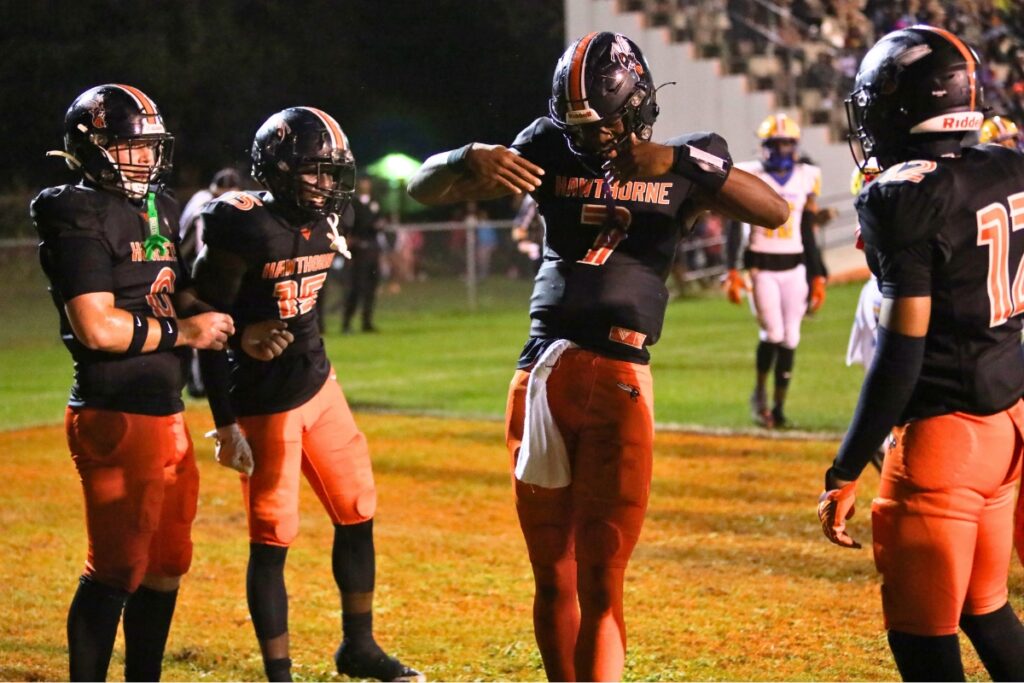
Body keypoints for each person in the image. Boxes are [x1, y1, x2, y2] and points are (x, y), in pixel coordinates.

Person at [408, 31, 788, 682]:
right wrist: (467, 156)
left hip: (614, 373)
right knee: (554, 572)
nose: (592, 140)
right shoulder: (548, 143)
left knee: (601, 580)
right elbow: (423, 188)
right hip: (542, 372)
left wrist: (680, 162)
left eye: (604, 124)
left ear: (637, 103)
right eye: (580, 128)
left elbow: (775, 209)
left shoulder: (689, 160)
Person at [818, 25, 1024, 681]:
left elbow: (902, 346)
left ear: (901, 105)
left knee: (923, 646)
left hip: (944, 440)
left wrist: (847, 465)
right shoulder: (1009, 164)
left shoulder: (904, 194)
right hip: (1007, 423)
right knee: (986, 609)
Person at [190, 106, 421, 683]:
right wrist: (225, 420)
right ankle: (279, 674)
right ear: (278, 170)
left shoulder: (323, 221)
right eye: (315, 171)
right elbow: (197, 315)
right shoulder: (240, 223)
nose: (326, 184)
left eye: (332, 172)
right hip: (263, 402)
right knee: (274, 537)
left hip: (320, 384)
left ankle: (359, 647)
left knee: (358, 508)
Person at [29, 84, 235, 682]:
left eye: (150, 146)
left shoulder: (163, 208)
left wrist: (236, 310)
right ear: (91, 147)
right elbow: (98, 328)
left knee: (169, 561)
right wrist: (185, 332)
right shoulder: (74, 209)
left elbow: (178, 300)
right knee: (116, 568)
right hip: (114, 413)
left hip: (167, 410)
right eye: (129, 145)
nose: (145, 158)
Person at [725, 113, 836, 428]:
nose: (781, 150)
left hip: (796, 267)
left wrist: (818, 275)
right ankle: (760, 395)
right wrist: (731, 269)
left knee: (791, 338)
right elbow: (733, 225)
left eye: (787, 143)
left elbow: (806, 230)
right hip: (761, 267)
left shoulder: (807, 176)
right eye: (775, 143)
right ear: (764, 146)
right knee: (772, 333)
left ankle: (780, 406)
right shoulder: (750, 174)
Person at [178, 167, 243, 397]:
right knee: (202, 326)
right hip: (198, 273)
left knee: (218, 328)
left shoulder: (214, 204)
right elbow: (186, 244)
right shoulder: (202, 205)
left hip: (215, 273)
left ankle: (208, 379)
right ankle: (197, 381)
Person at [342, 177, 384, 333]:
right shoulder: (353, 204)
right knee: (356, 288)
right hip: (358, 251)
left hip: (372, 250)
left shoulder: (374, 202)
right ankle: (346, 323)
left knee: (371, 289)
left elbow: (379, 221)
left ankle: (367, 322)